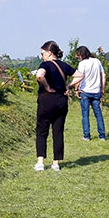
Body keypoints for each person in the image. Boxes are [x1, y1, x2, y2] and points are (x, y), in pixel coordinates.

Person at [34, 40, 83, 172]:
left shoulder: (45, 65)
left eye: (42, 53)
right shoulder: (64, 65)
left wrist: (47, 86)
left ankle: (40, 162)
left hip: (46, 100)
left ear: (49, 53)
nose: (41, 56)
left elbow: (39, 76)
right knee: (58, 131)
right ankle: (56, 163)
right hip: (61, 101)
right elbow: (80, 75)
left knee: (42, 131)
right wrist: (68, 85)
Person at [75, 45, 106, 141]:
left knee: (85, 114)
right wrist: (102, 89)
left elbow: (79, 77)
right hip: (96, 91)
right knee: (98, 114)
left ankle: (87, 136)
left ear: (81, 54)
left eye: (78, 55)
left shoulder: (82, 64)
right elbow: (103, 75)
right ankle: (102, 136)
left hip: (85, 91)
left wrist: (76, 89)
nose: (77, 57)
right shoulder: (97, 61)